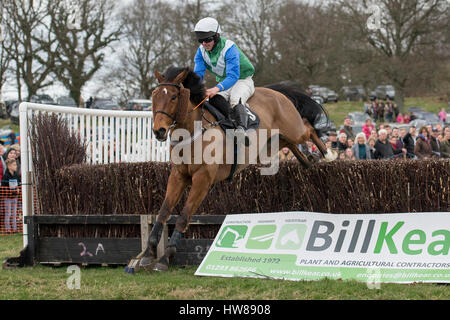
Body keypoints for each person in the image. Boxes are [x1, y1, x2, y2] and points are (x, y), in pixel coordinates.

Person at [193, 17, 255, 143]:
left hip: (243, 79)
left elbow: (233, 76)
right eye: (201, 40)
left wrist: (216, 88)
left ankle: (242, 130)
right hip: (225, 82)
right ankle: (227, 125)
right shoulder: (201, 52)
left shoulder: (229, 48)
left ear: (216, 36)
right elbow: (197, 75)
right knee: (214, 99)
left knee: (235, 99)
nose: (204, 43)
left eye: (208, 39)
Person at [1, 158, 21, 233]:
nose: (16, 166)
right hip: (7, 198)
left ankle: (14, 229)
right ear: (9, 166)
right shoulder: (5, 176)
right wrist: (9, 191)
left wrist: (18, 189)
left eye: (16, 164)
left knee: (14, 213)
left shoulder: (16, 175)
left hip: (15, 197)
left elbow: (19, 183)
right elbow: (3, 187)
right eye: (14, 165)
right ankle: (7, 229)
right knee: (8, 213)